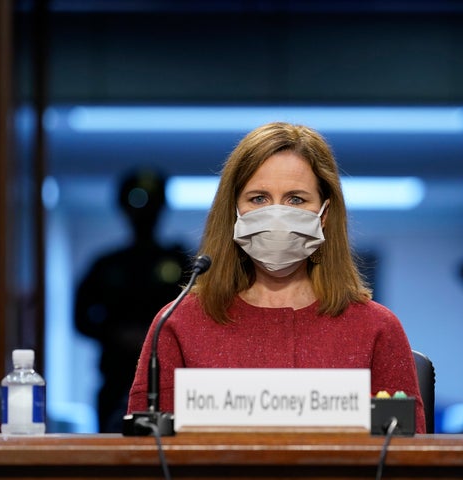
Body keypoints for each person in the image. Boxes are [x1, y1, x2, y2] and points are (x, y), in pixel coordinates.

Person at [126, 122, 426, 433]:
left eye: (296, 199)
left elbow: (409, 461)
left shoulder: (377, 329)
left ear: (324, 214)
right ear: (234, 211)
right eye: (258, 199)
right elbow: (144, 457)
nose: (277, 214)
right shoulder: (179, 324)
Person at [75, 169, 190, 432]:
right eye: (136, 204)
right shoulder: (106, 265)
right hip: (117, 377)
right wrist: (117, 335)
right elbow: (80, 318)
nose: (144, 213)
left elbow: (197, 315)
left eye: (152, 204)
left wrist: (155, 336)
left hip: (166, 376)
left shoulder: (181, 261)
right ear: (123, 208)